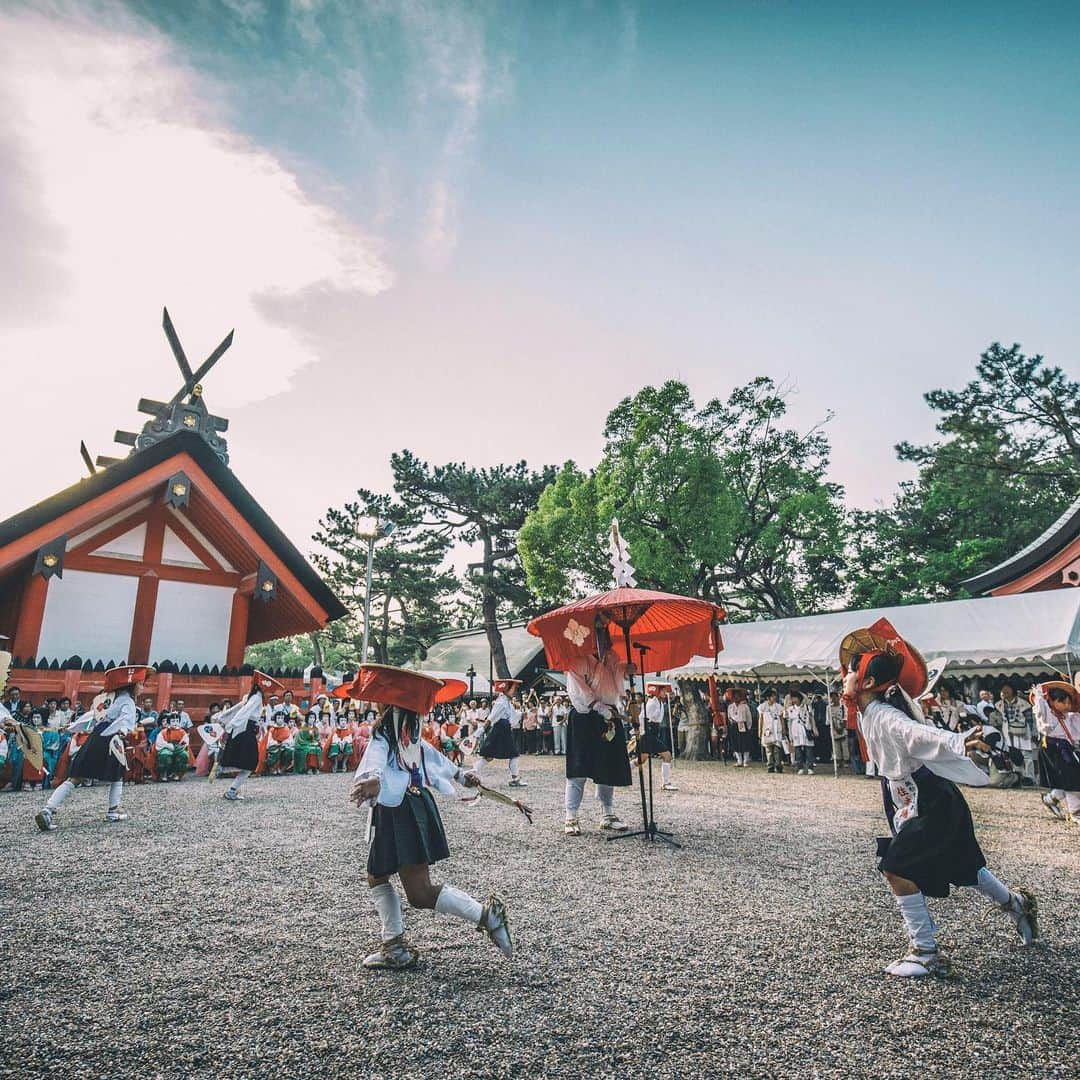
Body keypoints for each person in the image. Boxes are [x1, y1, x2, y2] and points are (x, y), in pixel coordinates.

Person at [840, 620, 1037, 978]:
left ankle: (926, 951)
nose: (845, 675)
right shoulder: (868, 709)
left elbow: (919, 733)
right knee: (964, 867)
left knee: (894, 866)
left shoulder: (885, 715)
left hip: (929, 800)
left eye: (852, 671)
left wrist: (961, 741)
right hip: (914, 796)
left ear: (867, 682)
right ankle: (1017, 904)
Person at [348, 664, 512, 970]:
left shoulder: (388, 731)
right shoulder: (408, 729)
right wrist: (461, 776)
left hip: (400, 812)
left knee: (420, 892)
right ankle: (394, 944)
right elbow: (434, 759)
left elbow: (377, 756)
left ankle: (485, 915)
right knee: (377, 874)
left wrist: (372, 778)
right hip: (409, 806)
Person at [35, 666, 153, 831]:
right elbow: (126, 721)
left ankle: (48, 809)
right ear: (132, 685)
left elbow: (93, 715)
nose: (143, 687)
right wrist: (122, 733)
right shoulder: (128, 702)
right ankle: (112, 811)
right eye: (140, 684)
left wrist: (72, 727)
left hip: (96, 737)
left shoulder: (109, 699)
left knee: (76, 777)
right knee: (116, 775)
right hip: (112, 738)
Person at [562, 616, 633, 836]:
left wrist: (625, 670)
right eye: (598, 631)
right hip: (585, 717)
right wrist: (598, 706)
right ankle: (571, 816)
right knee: (579, 768)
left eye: (604, 631)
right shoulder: (578, 661)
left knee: (608, 766)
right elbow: (579, 691)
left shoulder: (612, 656)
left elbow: (615, 680)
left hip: (609, 715)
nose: (602, 635)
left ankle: (607, 814)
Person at [216, 672, 286, 801]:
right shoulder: (256, 698)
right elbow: (243, 711)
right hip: (246, 731)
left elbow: (239, 708)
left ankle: (228, 781)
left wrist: (225, 720)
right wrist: (231, 725)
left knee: (247, 762)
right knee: (250, 762)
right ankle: (226, 777)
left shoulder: (253, 697)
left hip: (246, 730)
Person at [1032, 679, 1080, 824]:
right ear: (1052, 702)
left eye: (1069, 703)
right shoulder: (1047, 714)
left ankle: (1050, 798)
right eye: (1063, 702)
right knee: (1072, 779)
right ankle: (1075, 812)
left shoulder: (1069, 717)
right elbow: (1040, 707)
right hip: (1052, 748)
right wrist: (1040, 694)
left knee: (1069, 780)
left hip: (1065, 748)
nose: (1067, 705)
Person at [475, 679, 526, 788]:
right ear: (506, 689)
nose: (514, 691)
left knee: (491, 755)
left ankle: (472, 772)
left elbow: (513, 716)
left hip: (503, 729)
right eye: (513, 688)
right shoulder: (501, 702)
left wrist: (521, 714)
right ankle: (515, 779)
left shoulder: (506, 702)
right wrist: (481, 730)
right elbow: (491, 718)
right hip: (500, 730)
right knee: (511, 754)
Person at [997, 683, 1036, 784]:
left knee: (1027, 755)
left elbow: (1030, 719)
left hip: (1023, 731)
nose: (1004, 691)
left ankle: (1029, 778)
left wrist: (1032, 733)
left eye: (1007, 689)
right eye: (1002, 690)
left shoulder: (1024, 703)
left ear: (1012, 690)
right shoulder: (999, 705)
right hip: (1008, 733)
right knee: (1013, 754)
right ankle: (1018, 776)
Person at [641, 683, 677, 791]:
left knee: (642, 759)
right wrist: (641, 732)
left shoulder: (660, 703)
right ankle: (665, 783)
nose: (665, 693)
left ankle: (624, 772)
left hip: (654, 731)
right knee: (667, 755)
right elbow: (642, 717)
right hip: (649, 732)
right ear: (658, 691)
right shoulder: (652, 703)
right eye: (663, 691)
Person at [785, 691, 817, 775]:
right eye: (792, 698)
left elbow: (811, 718)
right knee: (798, 749)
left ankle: (810, 767)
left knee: (809, 749)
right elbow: (789, 722)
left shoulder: (807, 707)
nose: (793, 700)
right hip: (795, 729)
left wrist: (814, 729)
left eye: (795, 698)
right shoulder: (790, 709)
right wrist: (790, 734)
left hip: (806, 729)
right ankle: (800, 767)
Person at [154, 717, 190, 781]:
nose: (175, 723)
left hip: (178, 748)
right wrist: (168, 746)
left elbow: (185, 741)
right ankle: (164, 773)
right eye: (173, 721)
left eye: (177, 721)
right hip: (166, 748)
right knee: (164, 754)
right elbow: (159, 742)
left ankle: (177, 773)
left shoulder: (182, 731)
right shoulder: (164, 732)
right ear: (169, 722)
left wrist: (181, 745)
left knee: (184, 754)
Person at [758, 690, 786, 774]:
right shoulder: (762, 707)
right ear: (768, 698)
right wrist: (759, 730)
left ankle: (778, 765)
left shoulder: (779, 707)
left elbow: (781, 718)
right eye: (773, 696)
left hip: (777, 729)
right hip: (767, 730)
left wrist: (784, 729)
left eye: (775, 696)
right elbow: (761, 719)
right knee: (768, 749)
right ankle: (770, 765)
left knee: (777, 749)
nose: (775, 697)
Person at [726, 689, 753, 767]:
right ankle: (739, 760)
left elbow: (749, 717)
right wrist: (732, 722)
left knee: (745, 743)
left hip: (743, 725)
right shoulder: (730, 706)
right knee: (735, 743)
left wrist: (748, 726)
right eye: (735, 696)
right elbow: (729, 717)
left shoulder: (745, 706)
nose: (736, 697)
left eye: (738, 696)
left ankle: (745, 761)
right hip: (734, 725)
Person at [828, 691, 849, 766]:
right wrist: (835, 727)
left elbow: (845, 717)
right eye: (831, 697)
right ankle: (838, 760)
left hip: (843, 728)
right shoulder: (829, 708)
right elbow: (829, 720)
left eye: (834, 697)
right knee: (836, 747)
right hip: (834, 729)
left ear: (838, 697)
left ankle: (846, 760)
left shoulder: (843, 707)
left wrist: (842, 727)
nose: (833, 699)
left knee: (844, 746)